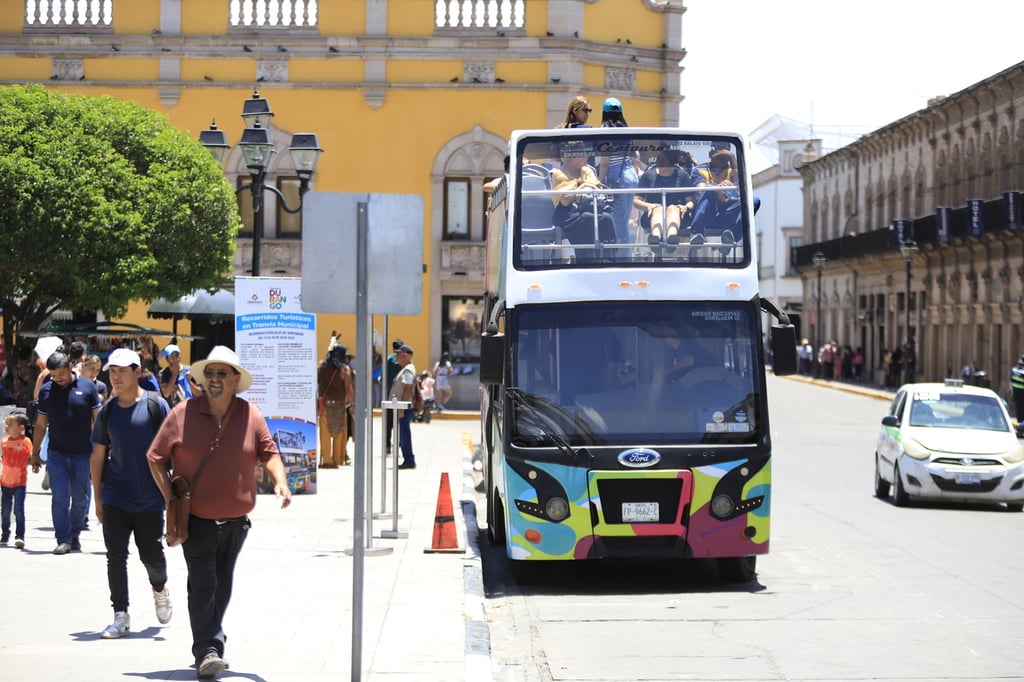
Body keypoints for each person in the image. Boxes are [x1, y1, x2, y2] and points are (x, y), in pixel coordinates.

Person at [147, 345, 292, 679]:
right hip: (195, 519)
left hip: (236, 523)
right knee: (203, 584)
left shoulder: (250, 414)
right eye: (209, 373)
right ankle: (208, 650)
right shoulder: (182, 413)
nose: (214, 379)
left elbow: (268, 452)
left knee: (221, 585)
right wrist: (170, 494)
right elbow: (155, 456)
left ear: (235, 380)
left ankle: (209, 638)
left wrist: (281, 483)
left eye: (221, 373)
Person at [90, 348, 173, 639]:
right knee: (115, 557)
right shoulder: (107, 411)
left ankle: (160, 588)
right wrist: (98, 497)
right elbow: (98, 455)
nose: (116, 376)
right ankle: (120, 615)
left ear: (137, 372)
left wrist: (172, 494)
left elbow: (173, 447)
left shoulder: (156, 405)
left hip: (150, 498)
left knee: (151, 555)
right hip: (115, 495)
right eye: (112, 371)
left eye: (122, 370)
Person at [30, 350, 102, 555]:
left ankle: (75, 534)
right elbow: (41, 424)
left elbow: (98, 419)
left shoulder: (88, 387)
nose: (57, 378)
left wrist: (101, 448)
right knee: (60, 498)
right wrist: (35, 453)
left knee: (80, 499)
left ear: (70, 367)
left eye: (60, 373)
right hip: (57, 453)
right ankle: (63, 538)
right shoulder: (46, 391)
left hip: (83, 453)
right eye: (53, 375)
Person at [550, 142, 617, 252]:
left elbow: (597, 189)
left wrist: (577, 190)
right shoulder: (559, 175)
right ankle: (586, 258)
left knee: (606, 217)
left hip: (589, 206)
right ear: (574, 156)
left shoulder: (587, 170)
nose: (587, 156)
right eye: (584, 154)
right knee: (587, 218)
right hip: (567, 212)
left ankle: (608, 256)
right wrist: (584, 186)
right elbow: (565, 200)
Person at [597, 97, 639, 246]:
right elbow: (635, 159)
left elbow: (605, 162)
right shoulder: (627, 131)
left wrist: (600, 182)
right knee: (625, 219)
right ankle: (626, 256)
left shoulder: (604, 132)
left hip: (617, 178)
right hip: (631, 177)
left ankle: (624, 258)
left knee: (619, 224)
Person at [633, 149, 696, 245]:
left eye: (663, 159)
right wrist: (648, 206)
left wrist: (686, 207)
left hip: (679, 214)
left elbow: (690, 201)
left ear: (671, 161)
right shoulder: (648, 176)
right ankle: (655, 238)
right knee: (658, 208)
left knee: (672, 208)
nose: (659, 161)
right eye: (658, 158)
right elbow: (636, 201)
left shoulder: (683, 176)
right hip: (651, 214)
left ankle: (672, 238)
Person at [688, 149, 740, 251]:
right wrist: (719, 188)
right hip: (707, 214)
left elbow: (740, 191)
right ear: (711, 153)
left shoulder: (733, 170)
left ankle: (731, 239)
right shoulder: (698, 170)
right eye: (720, 149)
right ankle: (697, 233)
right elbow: (701, 191)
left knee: (753, 200)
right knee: (710, 189)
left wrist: (733, 158)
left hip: (726, 214)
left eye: (726, 151)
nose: (724, 154)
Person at [1, 412, 36, 549]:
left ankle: (19, 536)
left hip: (20, 482)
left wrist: (34, 463)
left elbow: (32, 454)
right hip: (5, 482)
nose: (7, 426)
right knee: (5, 510)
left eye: (10, 424)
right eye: (7, 423)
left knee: (18, 510)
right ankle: (4, 534)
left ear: (21, 427)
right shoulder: (4, 441)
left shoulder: (26, 441)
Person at [317, 344, 354, 467]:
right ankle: (337, 460)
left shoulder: (321, 365)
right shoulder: (344, 369)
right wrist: (352, 404)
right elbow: (348, 389)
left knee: (325, 433)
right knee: (339, 433)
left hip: (325, 404)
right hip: (339, 405)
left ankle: (326, 460)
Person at [389, 345, 418, 469]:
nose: (397, 358)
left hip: (404, 408)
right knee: (402, 434)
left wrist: (402, 408)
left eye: (399, 355)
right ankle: (408, 459)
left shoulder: (408, 370)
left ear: (406, 356)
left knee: (404, 435)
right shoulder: (406, 369)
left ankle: (409, 460)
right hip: (402, 407)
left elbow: (407, 388)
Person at [384, 338, 404, 451]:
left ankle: (387, 445)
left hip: (389, 395)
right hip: (402, 396)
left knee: (388, 423)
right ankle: (400, 444)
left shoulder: (388, 359)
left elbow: (382, 378)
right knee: (401, 422)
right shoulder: (406, 360)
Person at [1010, 356, 1024, 422]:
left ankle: (1020, 422)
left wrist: (1012, 393)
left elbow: (1011, 381)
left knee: (1018, 408)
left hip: (1016, 392)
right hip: (1022, 392)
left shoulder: (1014, 370)